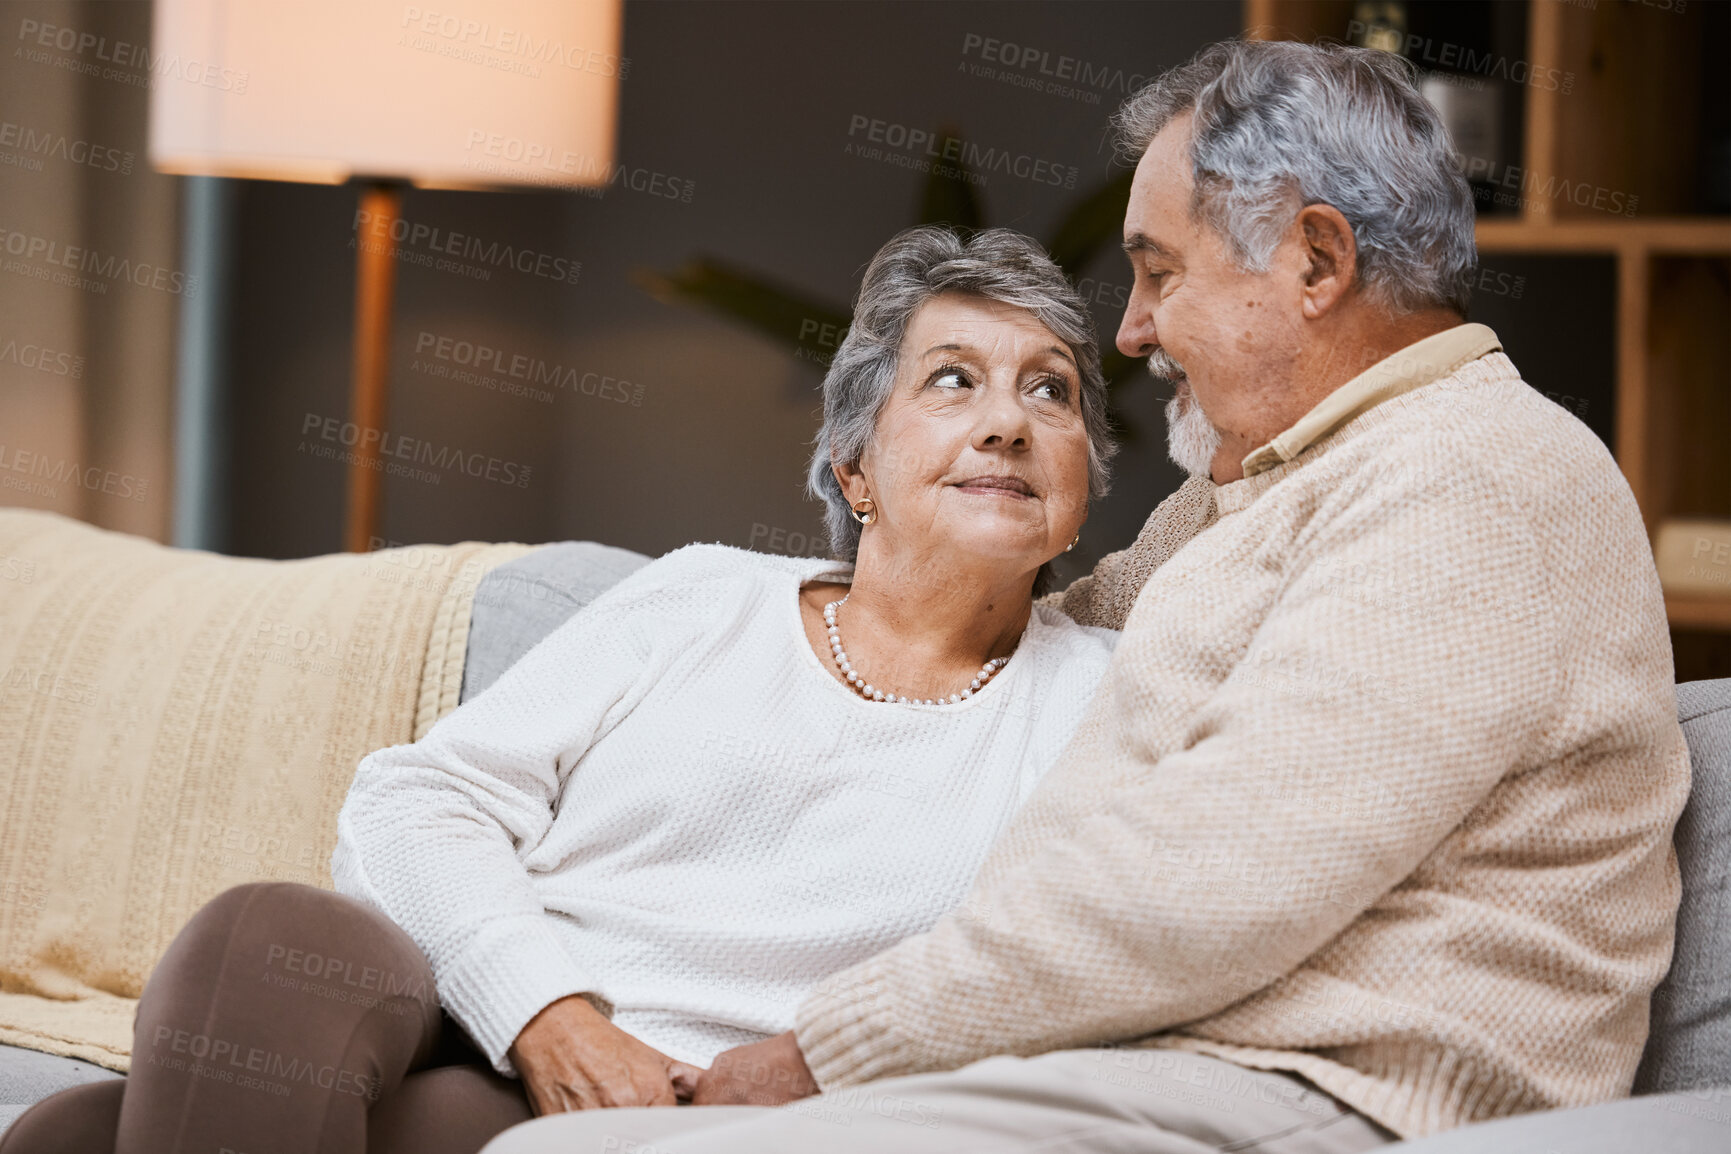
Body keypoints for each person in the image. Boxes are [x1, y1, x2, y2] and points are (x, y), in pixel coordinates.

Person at [488, 37, 1690, 1154]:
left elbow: (1215, 881)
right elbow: (1063, 626)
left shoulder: (1467, 479)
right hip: (1195, 1060)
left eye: (1159, 271)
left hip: (1342, 1088)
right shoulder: (1275, 483)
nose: (1130, 330)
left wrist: (829, 1048)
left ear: (1316, 261)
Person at [0, 226, 1123, 1154]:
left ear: (1082, 488)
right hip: (482, 1023)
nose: (1007, 421)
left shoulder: (1098, 697)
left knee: (71, 1137)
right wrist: (547, 1014)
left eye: (1051, 392)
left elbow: (1063, 965)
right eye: (952, 380)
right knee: (264, 932)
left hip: (710, 1121)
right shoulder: (703, 597)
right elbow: (414, 802)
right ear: (855, 467)